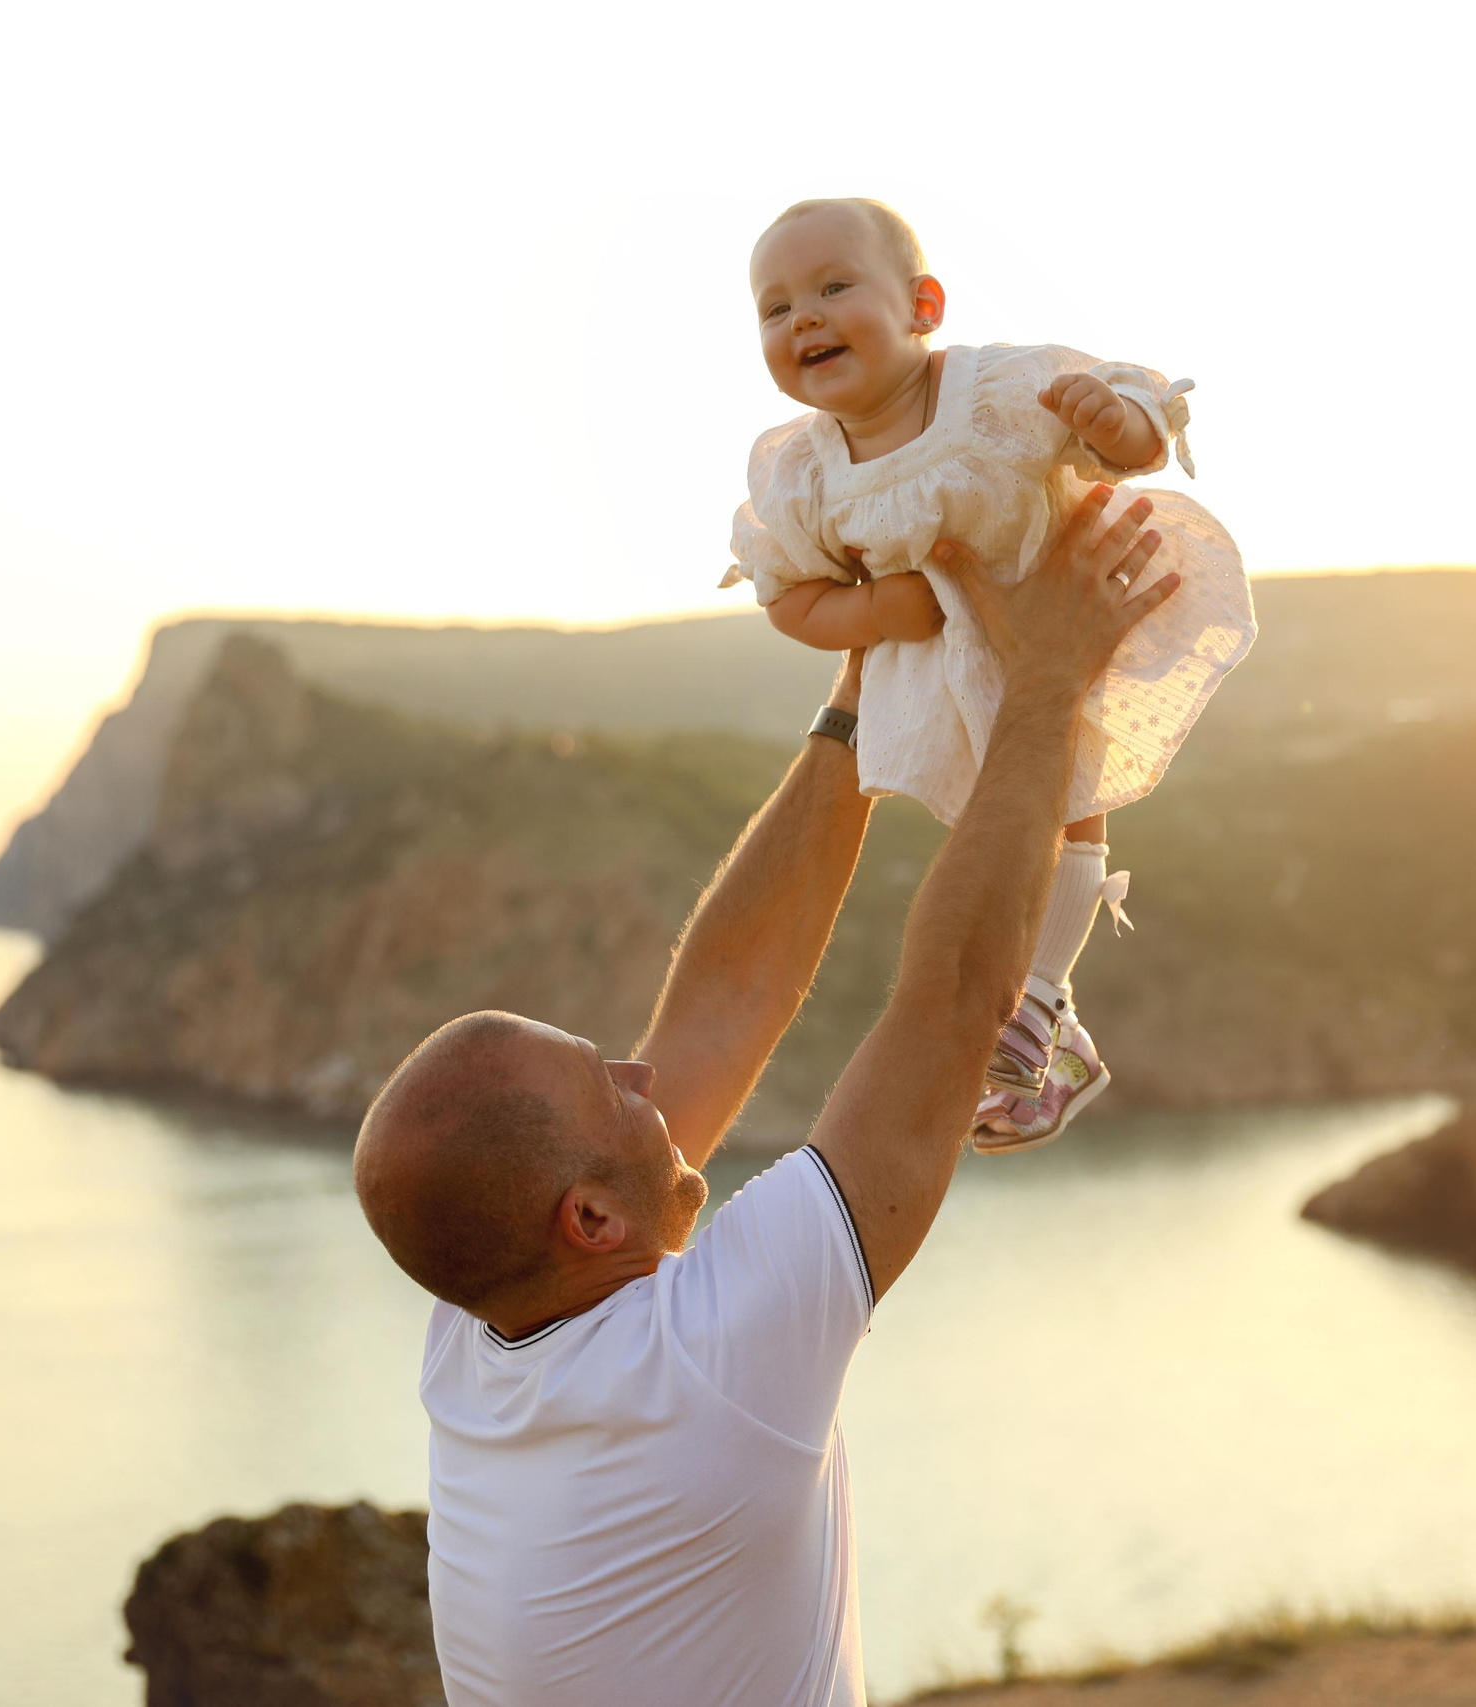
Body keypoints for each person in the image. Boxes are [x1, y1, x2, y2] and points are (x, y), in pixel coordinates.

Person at [351, 487, 1178, 1707]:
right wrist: (1049, 677)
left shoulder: (480, 1325)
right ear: (590, 1219)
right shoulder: (712, 1363)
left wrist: (861, 692)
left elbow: (724, 1001)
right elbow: (956, 1004)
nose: (645, 1074)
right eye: (611, 1088)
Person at [722, 196, 1257, 1149]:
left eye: (834, 288)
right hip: (943, 673)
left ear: (922, 306)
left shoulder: (998, 390)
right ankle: (1058, 1033)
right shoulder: (801, 475)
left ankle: (1037, 1003)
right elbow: (788, 597)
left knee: (1071, 803)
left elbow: (1130, 430)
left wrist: (1117, 421)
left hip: (1063, 617)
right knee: (999, 847)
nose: (803, 317)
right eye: (776, 307)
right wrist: (874, 614)